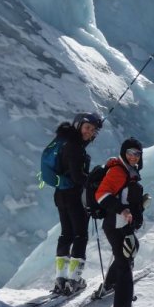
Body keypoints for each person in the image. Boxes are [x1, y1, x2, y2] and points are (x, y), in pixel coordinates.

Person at [95, 137, 147, 307]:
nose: (134, 156)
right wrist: (122, 211)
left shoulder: (130, 172)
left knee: (127, 253)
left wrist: (136, 212)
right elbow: (101, 194)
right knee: (125, 267)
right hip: (116, 224)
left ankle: (109, 284)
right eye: (130, 153)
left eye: (137, 153)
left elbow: (128, 197)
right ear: (124, 153)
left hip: (121, 225)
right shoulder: (118, 171)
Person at [52, 112, 102, 295]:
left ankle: (61, 279)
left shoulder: (65, 143)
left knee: (66, 235)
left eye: (93, 130)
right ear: (78, 125)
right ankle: (73, 281)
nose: (89, 132)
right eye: (87, 127)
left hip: (60, 196)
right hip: (74, 197)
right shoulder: (75, 148)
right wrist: (92, 180)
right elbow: (77, 176)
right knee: (80, 236)